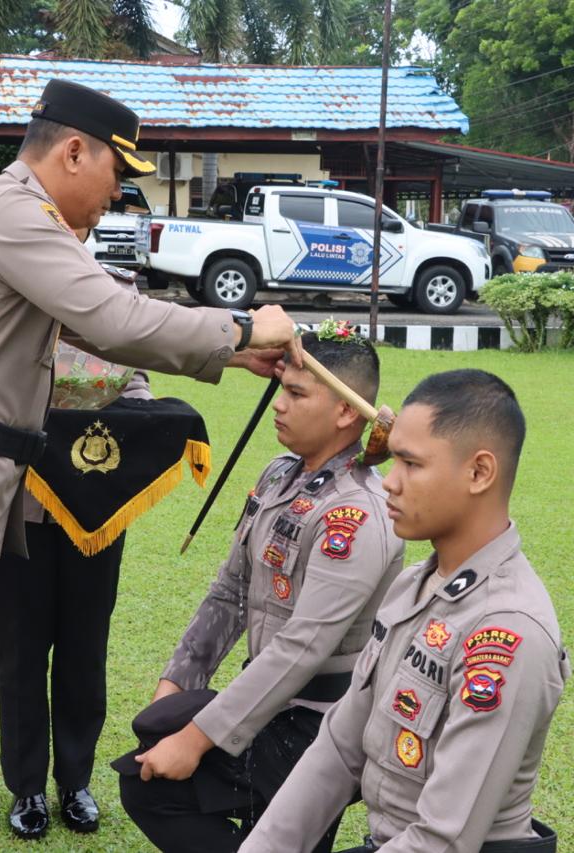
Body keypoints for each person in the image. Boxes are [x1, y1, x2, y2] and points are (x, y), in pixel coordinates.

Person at [0, 78, 303, 852]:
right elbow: (113, 319)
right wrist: (243, 322)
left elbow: (110, 335)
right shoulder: (11, 211)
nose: (116, 197)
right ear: (73, 150)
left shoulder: (21, 217)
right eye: (116, 177)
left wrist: (237, 349)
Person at [238, 369, 571, 853]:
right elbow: (338, 748)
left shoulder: (506, 632)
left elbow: (444, 839)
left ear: (479, 472)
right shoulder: (413, 586)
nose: (389, 483)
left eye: (411, 465)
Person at [116, 328, 405, 853]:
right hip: (268, 700)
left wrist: (197, 736)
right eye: (282, 390)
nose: (279, 405)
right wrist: (179, 683)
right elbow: (231, 589)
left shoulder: (356, 515)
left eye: (297, 394)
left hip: (321, 725)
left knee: (151, 787)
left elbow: (304, 646)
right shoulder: (280, 475)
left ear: (346, 413)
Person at [0, 255, 156, 841]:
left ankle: (75, 781)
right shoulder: (12, 286)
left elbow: (135, 378)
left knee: (86, 647)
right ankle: (28, 785)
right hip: (21, 507)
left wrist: (130, 410)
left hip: (94, 508)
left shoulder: (115, 292)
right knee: (21, 650)